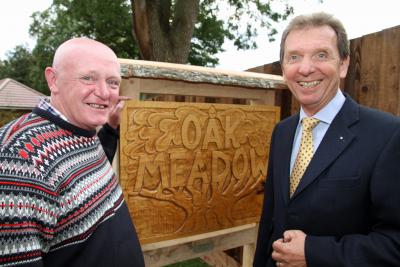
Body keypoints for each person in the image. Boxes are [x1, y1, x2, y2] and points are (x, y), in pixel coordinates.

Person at [253, 12, 400, 267]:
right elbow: (270, 223)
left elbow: (394, 243)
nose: (306, 68)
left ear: (343, 64)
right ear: (284, 68)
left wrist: (314, 252)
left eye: (321, 55)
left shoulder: (387, 135)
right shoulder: (282, 133)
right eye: (294, 57)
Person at [0, 37, 145, 266]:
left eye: (113, 82)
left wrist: (111, 129)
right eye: (88, 78)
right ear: (53, 80)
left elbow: (80, 175)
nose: (105, 93)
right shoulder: (19, 161)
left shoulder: (82, 131)